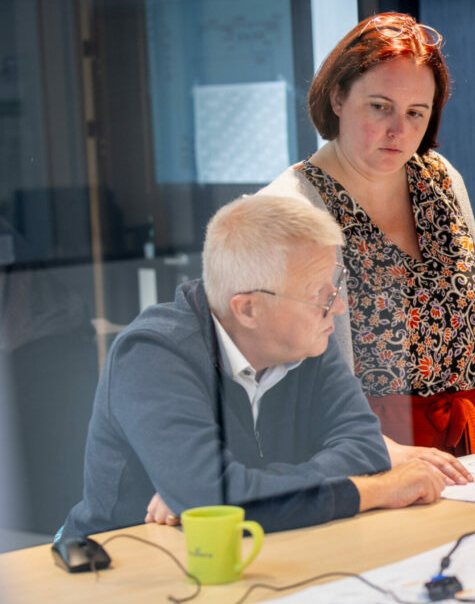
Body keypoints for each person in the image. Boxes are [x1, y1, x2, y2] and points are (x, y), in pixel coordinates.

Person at [57, 196, 454, 540]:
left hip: (263, 550)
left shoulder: (311, 338)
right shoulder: (152, 356)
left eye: (336, 284)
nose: (338, 306)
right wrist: (376, 491)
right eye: (321, 293)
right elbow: (214, 497)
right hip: (121, 565)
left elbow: (366, 451)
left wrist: (237, 494)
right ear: (248, 309)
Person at [260, 12, 475, 457]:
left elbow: (473, 320)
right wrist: (370, 455)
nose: (398, 131)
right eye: (379, 106)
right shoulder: (291, 209)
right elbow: (286, 381)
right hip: (360, 449)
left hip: (465, 438)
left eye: (416, 113)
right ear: (337, 97)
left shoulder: (441, 180)